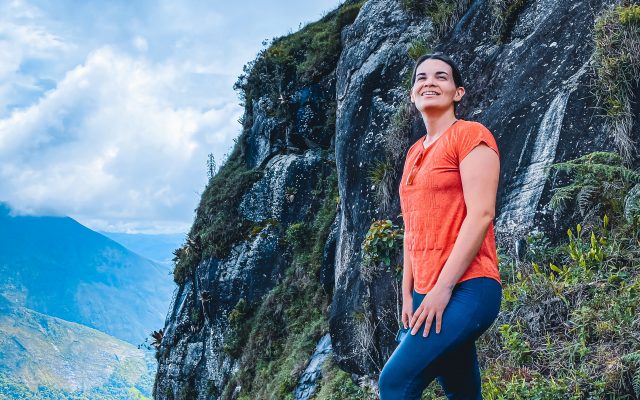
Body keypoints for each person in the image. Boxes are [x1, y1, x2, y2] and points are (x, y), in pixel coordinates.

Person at [377, 53, 503, 399]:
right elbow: (412, 227)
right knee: (463, 394)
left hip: (468, 287)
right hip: (425, 292)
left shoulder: (470, 135)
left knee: (395, 382)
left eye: (441, 77)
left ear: (457, 93)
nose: (429, 82)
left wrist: (443, 289)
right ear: (412, 95)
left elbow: (481, 215)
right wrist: (408, 292)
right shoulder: (414, 153)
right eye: (421, 78)